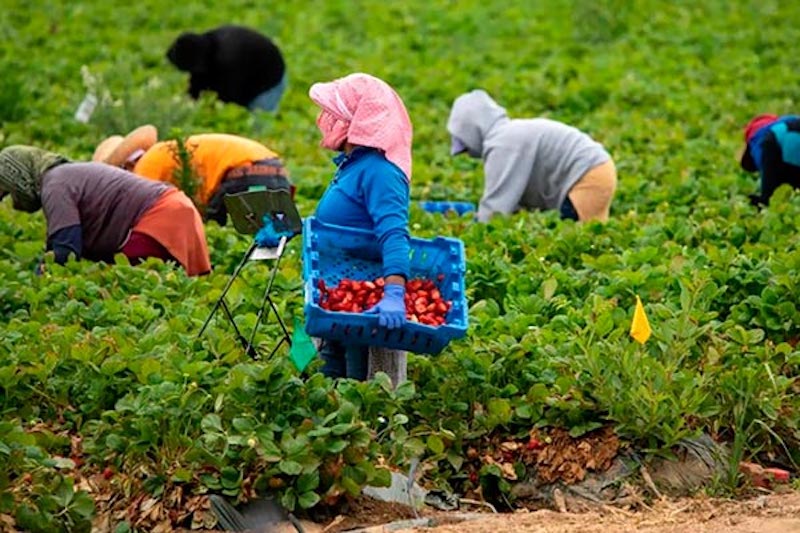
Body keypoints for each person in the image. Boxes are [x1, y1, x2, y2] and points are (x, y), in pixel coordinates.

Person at [308, 73, 413, 381]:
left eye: (334, 115)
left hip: (364, 303)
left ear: (359, 121)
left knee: (359, 386)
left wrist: (394, 292)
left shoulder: (381, 172)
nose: (324, 120)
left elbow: (394, 233)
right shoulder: (353, 165)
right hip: (334, 296)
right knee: (324, 379)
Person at [0, 145, 211, 275]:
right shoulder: (66, 175)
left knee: (129, 287)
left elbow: (66, 247)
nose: (13, 199)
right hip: (175, 209)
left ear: (20, 177)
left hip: (160, 217)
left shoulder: (55, 185)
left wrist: (37, 284)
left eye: (9, 190)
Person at [447, 89, 617, 223]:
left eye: (465, 146)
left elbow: (496, 204)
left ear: (473, 130)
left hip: (586, 177)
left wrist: (476, 233)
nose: (468, 153)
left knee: (578, 238)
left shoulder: (502, 143)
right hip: (599, 169)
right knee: (592, 235)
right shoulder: (509, 134)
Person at [92, 125, 294, 226]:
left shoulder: (147, 164)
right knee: (272, 238)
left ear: (125, 166)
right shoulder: (164, 152)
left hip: (242, 176)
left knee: (220, 231)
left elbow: (140, 210)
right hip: (275, 170)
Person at [166, 25, 287, 112]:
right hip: (246, 71)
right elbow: (198, 78)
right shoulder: (205, 44)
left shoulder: (227, 60)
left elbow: (231, 98)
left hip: (268, 82)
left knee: (257, 133)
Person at [739, 113, 800, 206]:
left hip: (779, 137)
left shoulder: (755, 140)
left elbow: (765, 166)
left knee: (768, 199)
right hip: (792, 130)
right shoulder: (784, 120)